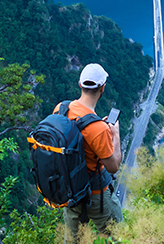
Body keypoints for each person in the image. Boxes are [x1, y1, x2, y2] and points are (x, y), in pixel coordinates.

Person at [54, 63, 123, 243]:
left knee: (73, 241)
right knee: (117, 236)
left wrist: (97, 126)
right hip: (96, 195)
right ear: (103, 88)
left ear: (80, 84)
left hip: (69, 191)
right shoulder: (99, 130)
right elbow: (113, 166)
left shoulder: (61, 108)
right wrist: (114, 135)